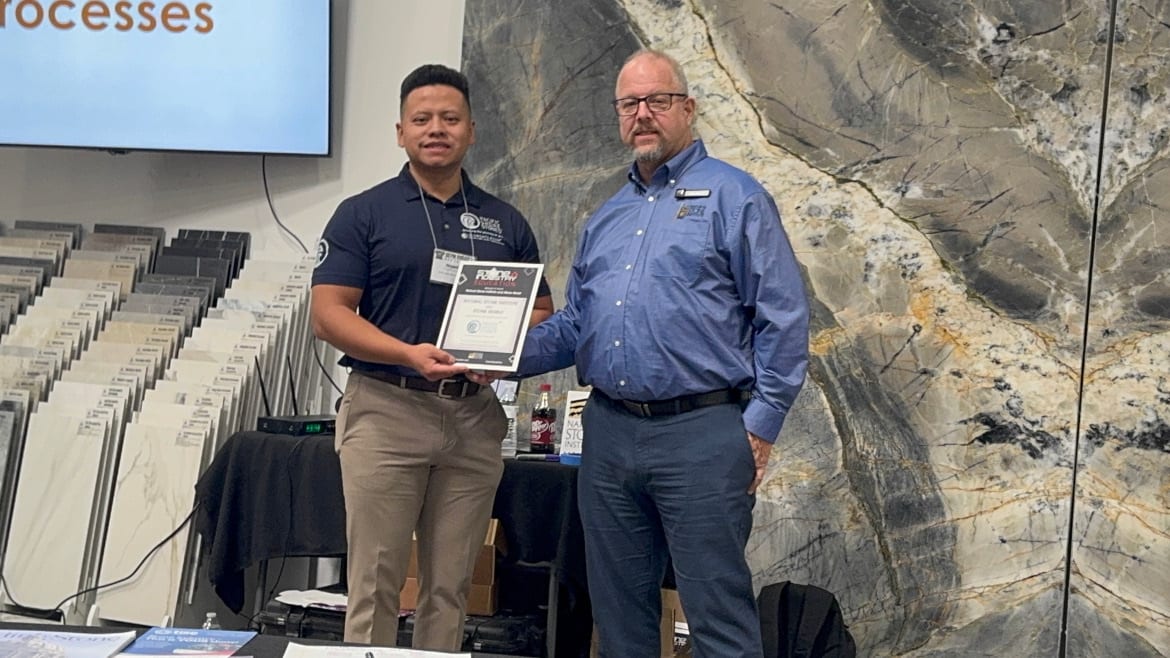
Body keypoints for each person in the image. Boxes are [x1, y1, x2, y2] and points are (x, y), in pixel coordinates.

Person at [492, 49, 809, 657]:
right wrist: (494, 357)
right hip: (608, 434)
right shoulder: (606, 218)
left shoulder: (735, 198)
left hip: (704, 433)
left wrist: (762, 425)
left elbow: (784, 317)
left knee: (716, 615)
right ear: (618, 115)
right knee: (619, 621)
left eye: (657, 101)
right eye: (629, 103)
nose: (643, 114)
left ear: (686, 108)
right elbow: (576, 326)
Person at [310, 63, 554, 649]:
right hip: (387, 410)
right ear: (401, 132)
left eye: (450, 118)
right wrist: (408, 354)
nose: (436, 129)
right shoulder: (363, 213)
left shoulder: (505, 221)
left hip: (473, 417)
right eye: (422, 119)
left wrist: (499, 356)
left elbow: (542, 311)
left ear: (471, 131)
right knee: (375, 582)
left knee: (451, 587)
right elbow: (328, 314)